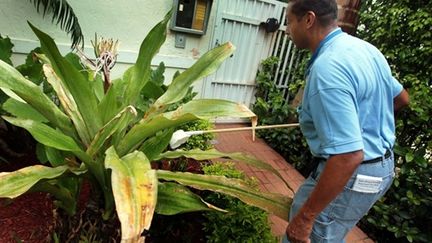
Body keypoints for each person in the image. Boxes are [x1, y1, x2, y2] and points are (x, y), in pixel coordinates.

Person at [282, 0, 410, 242]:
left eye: (290, 21)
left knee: (304, 231)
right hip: (382, 167)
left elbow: (348, 155)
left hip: (353, 171)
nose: (288, 29)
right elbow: (402, 98)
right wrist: (359, 123)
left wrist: (306, 218)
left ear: (308, 20)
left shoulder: (327, 70)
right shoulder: (365, 49)